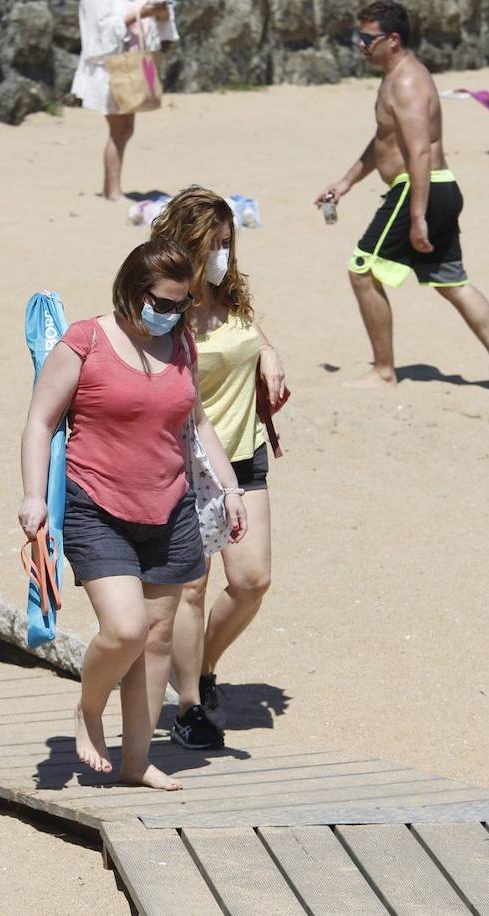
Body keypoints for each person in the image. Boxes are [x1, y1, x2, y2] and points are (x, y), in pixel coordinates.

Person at [19, 238, 248, 791]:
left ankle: (136, 761)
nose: (171, 313)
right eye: (163, 302)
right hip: (96, 505)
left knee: (158, 641)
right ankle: (88, 710)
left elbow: (199, 424)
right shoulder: (85, 340)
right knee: (124, 630)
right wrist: (31, 496)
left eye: (181, 304)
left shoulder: (181, 345)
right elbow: (40, 422)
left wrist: (231, 486)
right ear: (131, 289)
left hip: (170, 510)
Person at [314, 1, 489, 392]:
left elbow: (419, 151)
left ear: (392, 40)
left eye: (367, 38)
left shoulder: (407, 82)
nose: (360, 45)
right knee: (452, 282)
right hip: (435, 187)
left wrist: (417, 216)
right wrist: (345, 183)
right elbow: (384, 143)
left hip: (418, 187)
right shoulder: (393, 76)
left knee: (362, 270)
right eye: (358, 37)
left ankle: (384, 372)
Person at [149, 187, 290, 749]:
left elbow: (246, 332)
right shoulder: (162, 302)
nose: (222, 255)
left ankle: (201, 666)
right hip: (183, 459)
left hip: (241, 451)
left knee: (252, 579)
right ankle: (188, 707)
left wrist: (270, 351)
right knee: (192, 589)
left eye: (228, 243)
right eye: (212, 245)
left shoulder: (230, 294)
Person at [72, 0, 178, 200]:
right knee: (119, 128)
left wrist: (160, 12)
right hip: (109, 68)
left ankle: (111, 189)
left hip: (133, 66)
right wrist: (142, 13)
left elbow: (163, 25)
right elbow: (100, 33)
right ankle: (112, 192)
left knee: (126, 128)